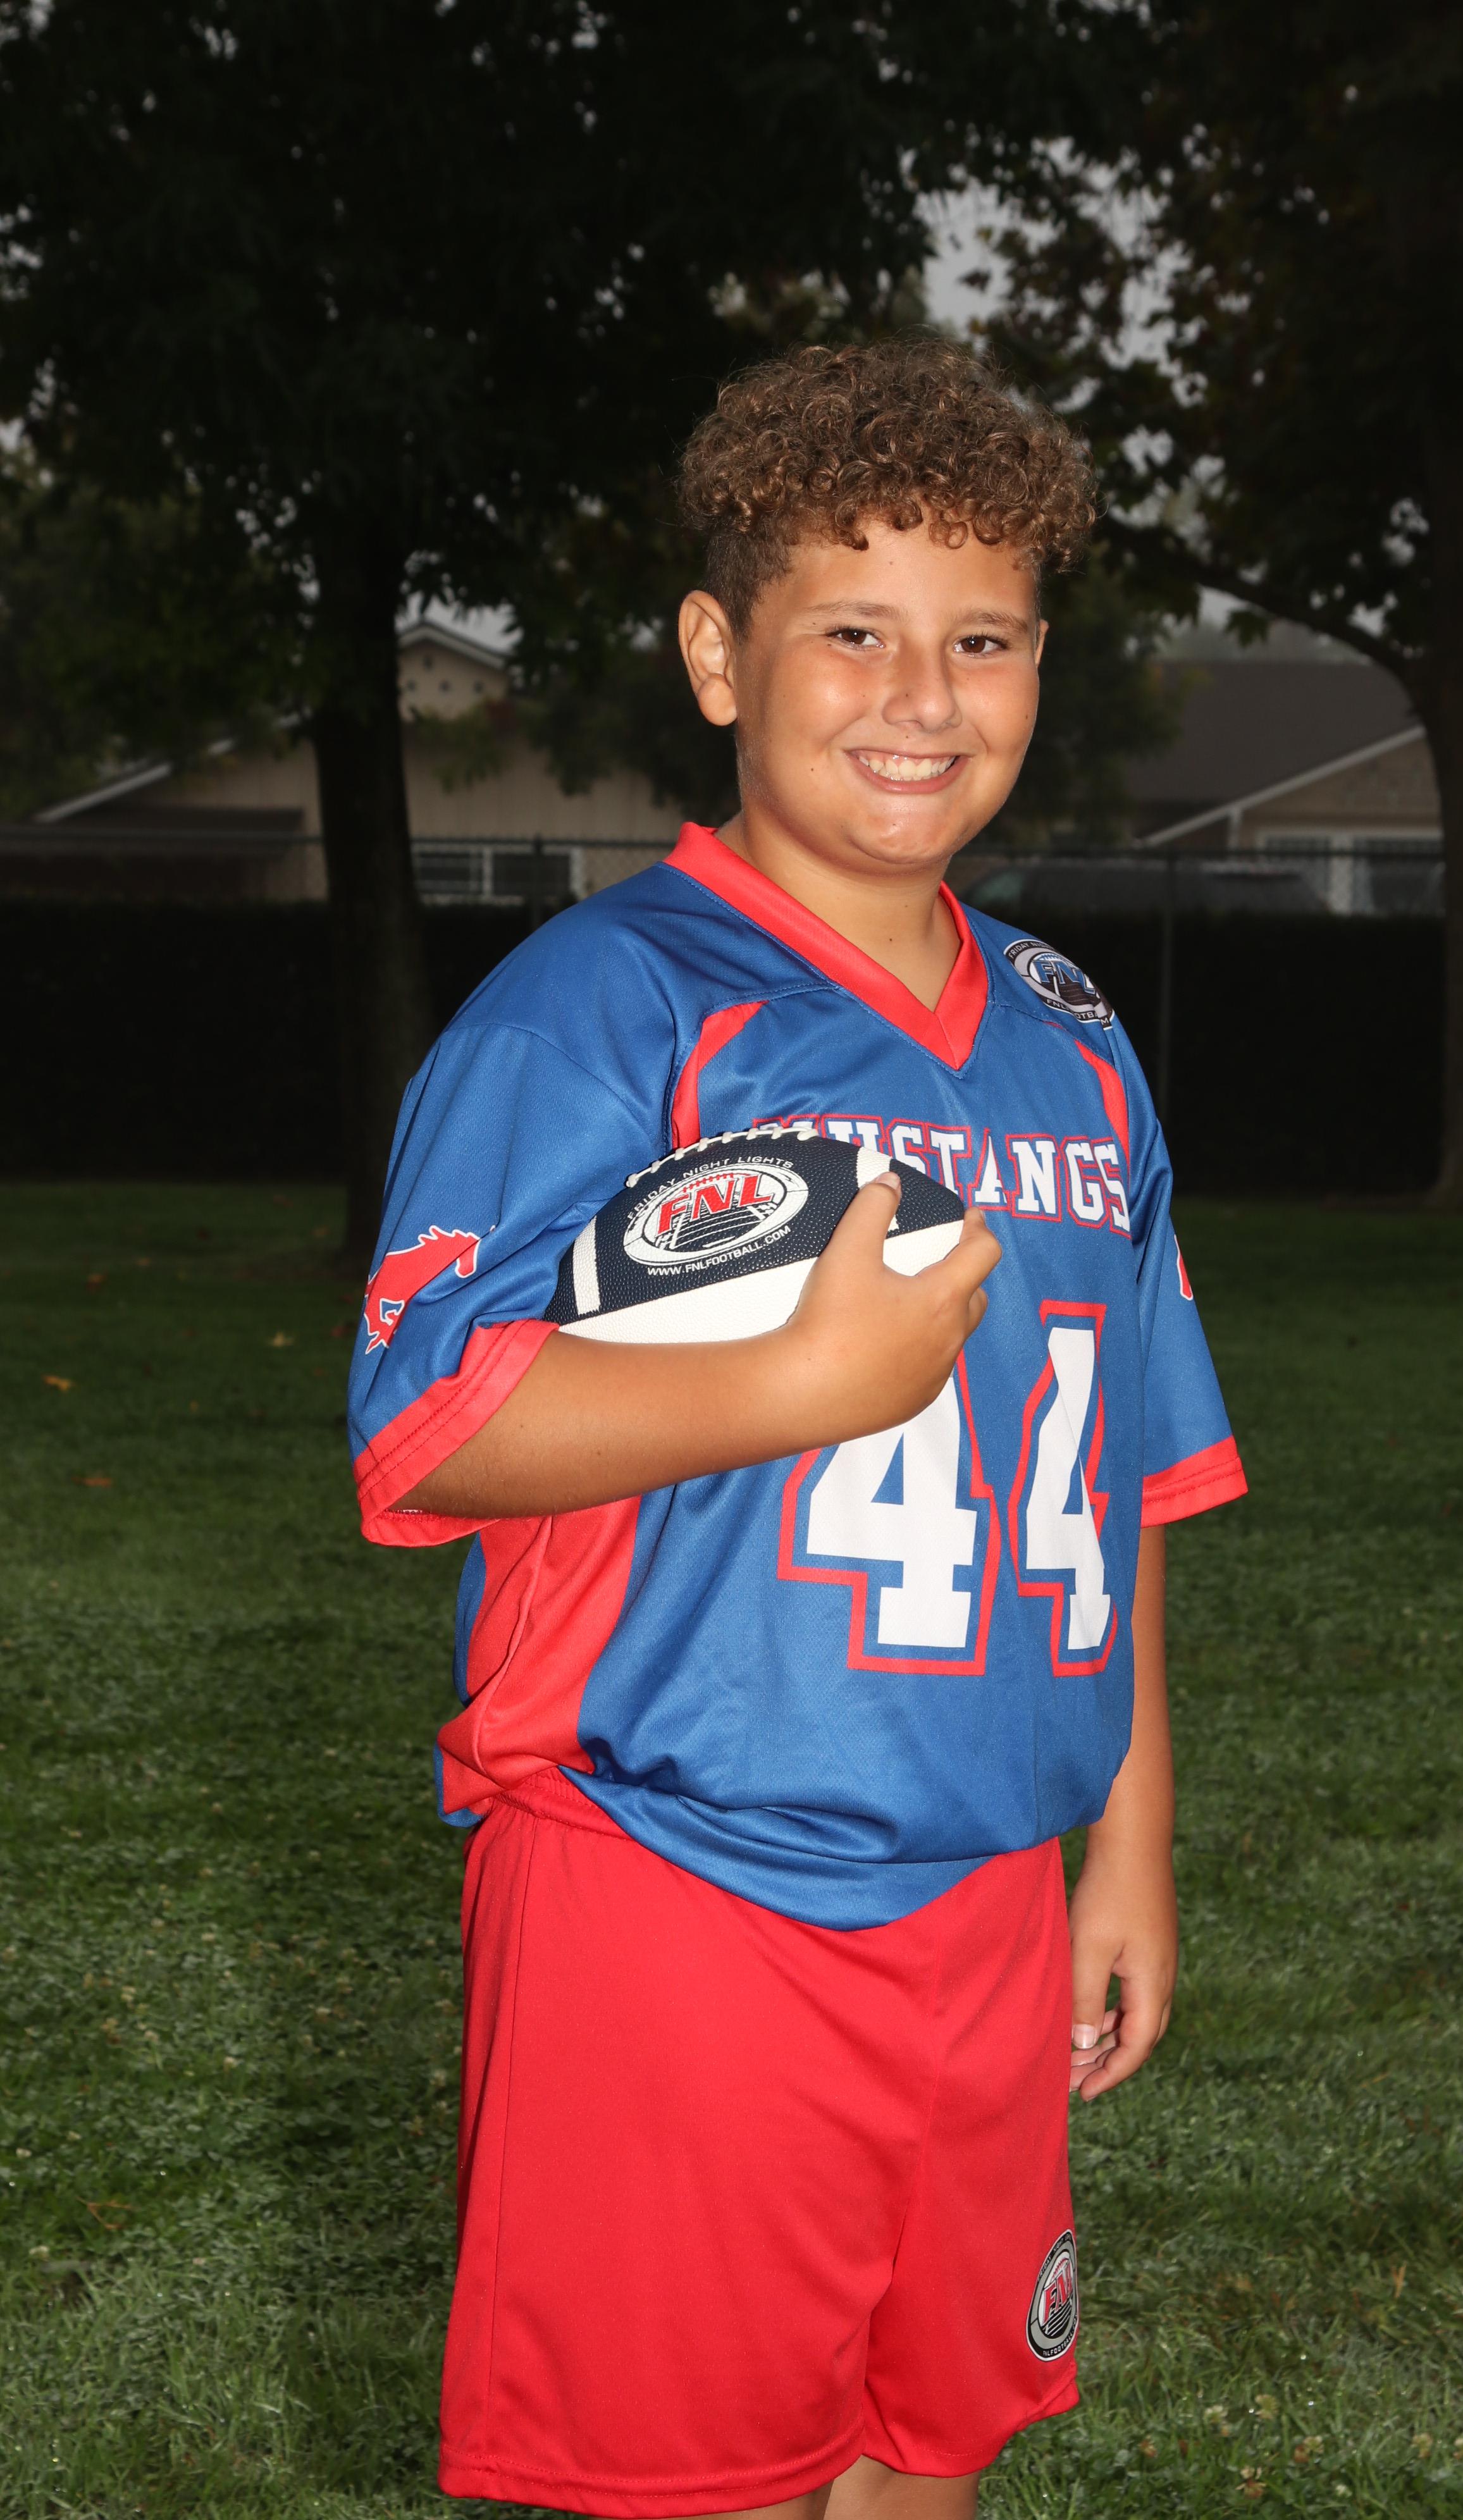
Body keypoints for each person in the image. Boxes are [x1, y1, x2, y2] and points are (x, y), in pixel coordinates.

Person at [349, 335, 1245, 2520]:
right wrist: (795, 1383)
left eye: (984, 639)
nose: (922, 696)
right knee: (694, 2480)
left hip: (986, 1889)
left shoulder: (1073, 1039)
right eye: (853, 631)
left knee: (927, 2449)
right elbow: (425, 1432)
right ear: (717, 657)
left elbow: (1119, 1476)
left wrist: (1125, 1843)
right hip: (675, 1876)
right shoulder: (602, 1010)